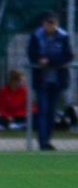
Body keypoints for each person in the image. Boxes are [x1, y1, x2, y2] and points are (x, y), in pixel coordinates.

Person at [27, 11, 73, 151]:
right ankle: (42, 142)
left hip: (57, 80)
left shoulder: (63, 37)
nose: (50, 26)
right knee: (43, 110)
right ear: (44, 24)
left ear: (57, 24)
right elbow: (31, 53)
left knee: (52, 112)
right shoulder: (36, 36)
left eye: (53, 24)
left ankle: (47, 139)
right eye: (48, 23)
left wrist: (50, 61)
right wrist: (39, 60)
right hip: (42, 80)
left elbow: (68, 56)